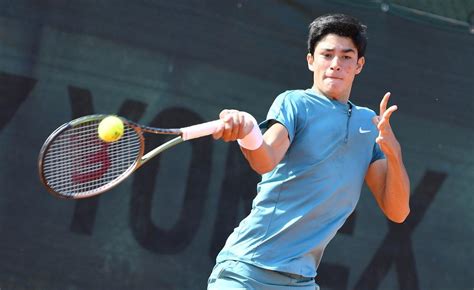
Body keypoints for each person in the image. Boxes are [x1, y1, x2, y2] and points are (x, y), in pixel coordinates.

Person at [207, 13, 410, 290]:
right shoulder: (294, 103)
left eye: (346, 57)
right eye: (327, 55)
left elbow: (397, 211)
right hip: (246, 272)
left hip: (301, 282)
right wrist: (247, 133)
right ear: (311, 60)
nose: (336, 65)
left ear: (359, 65)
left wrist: (393, 152)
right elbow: (264, 160)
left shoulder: (370, 124)